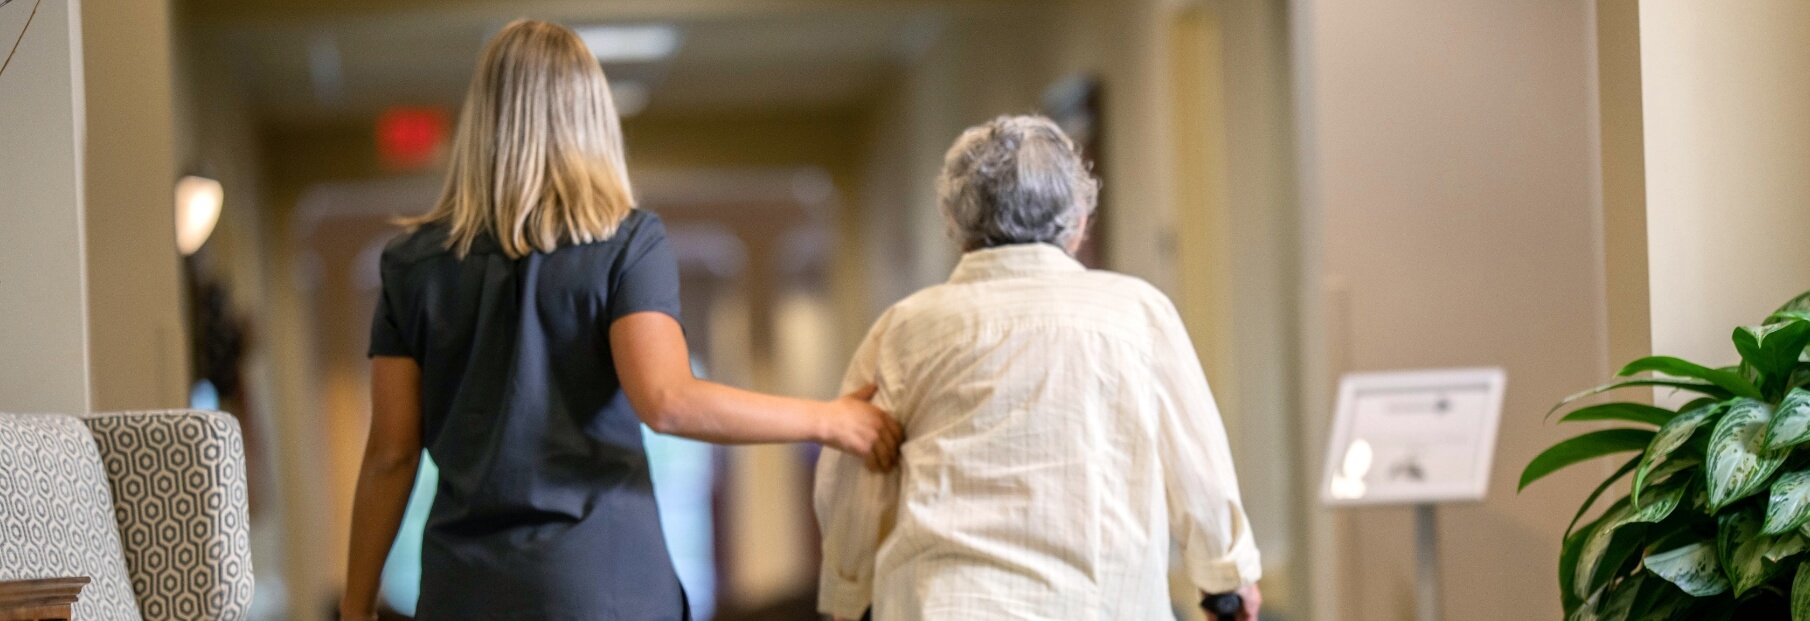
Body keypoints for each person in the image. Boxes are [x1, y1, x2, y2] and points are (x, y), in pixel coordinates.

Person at [339, 20, 902, 621]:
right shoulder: (625, 243)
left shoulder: (411, 265)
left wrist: (355, 607)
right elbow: (667, 401)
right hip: (602, 584)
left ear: (483, 121)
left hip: (465, 593)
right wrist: (830, 420)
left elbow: (392, 455)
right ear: (592, 118)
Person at [813, 115, 1262, 621]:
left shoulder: (907, 328)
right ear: (1078, 220)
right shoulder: (1137, 313)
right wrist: (1226, 581)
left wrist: (846, 596)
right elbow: (1197, 460)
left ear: (955, 223)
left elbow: (855, 477)